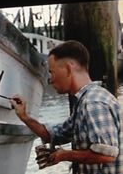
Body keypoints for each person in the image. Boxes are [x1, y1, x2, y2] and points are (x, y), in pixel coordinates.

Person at [10, 40, 123, 174]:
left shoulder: (93, 102)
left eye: (52, 72)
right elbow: (53, 136)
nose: (50, 79)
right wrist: (24, 117)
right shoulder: (83, 103)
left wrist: (64, 155)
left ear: (69, 69)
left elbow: (107, 154)